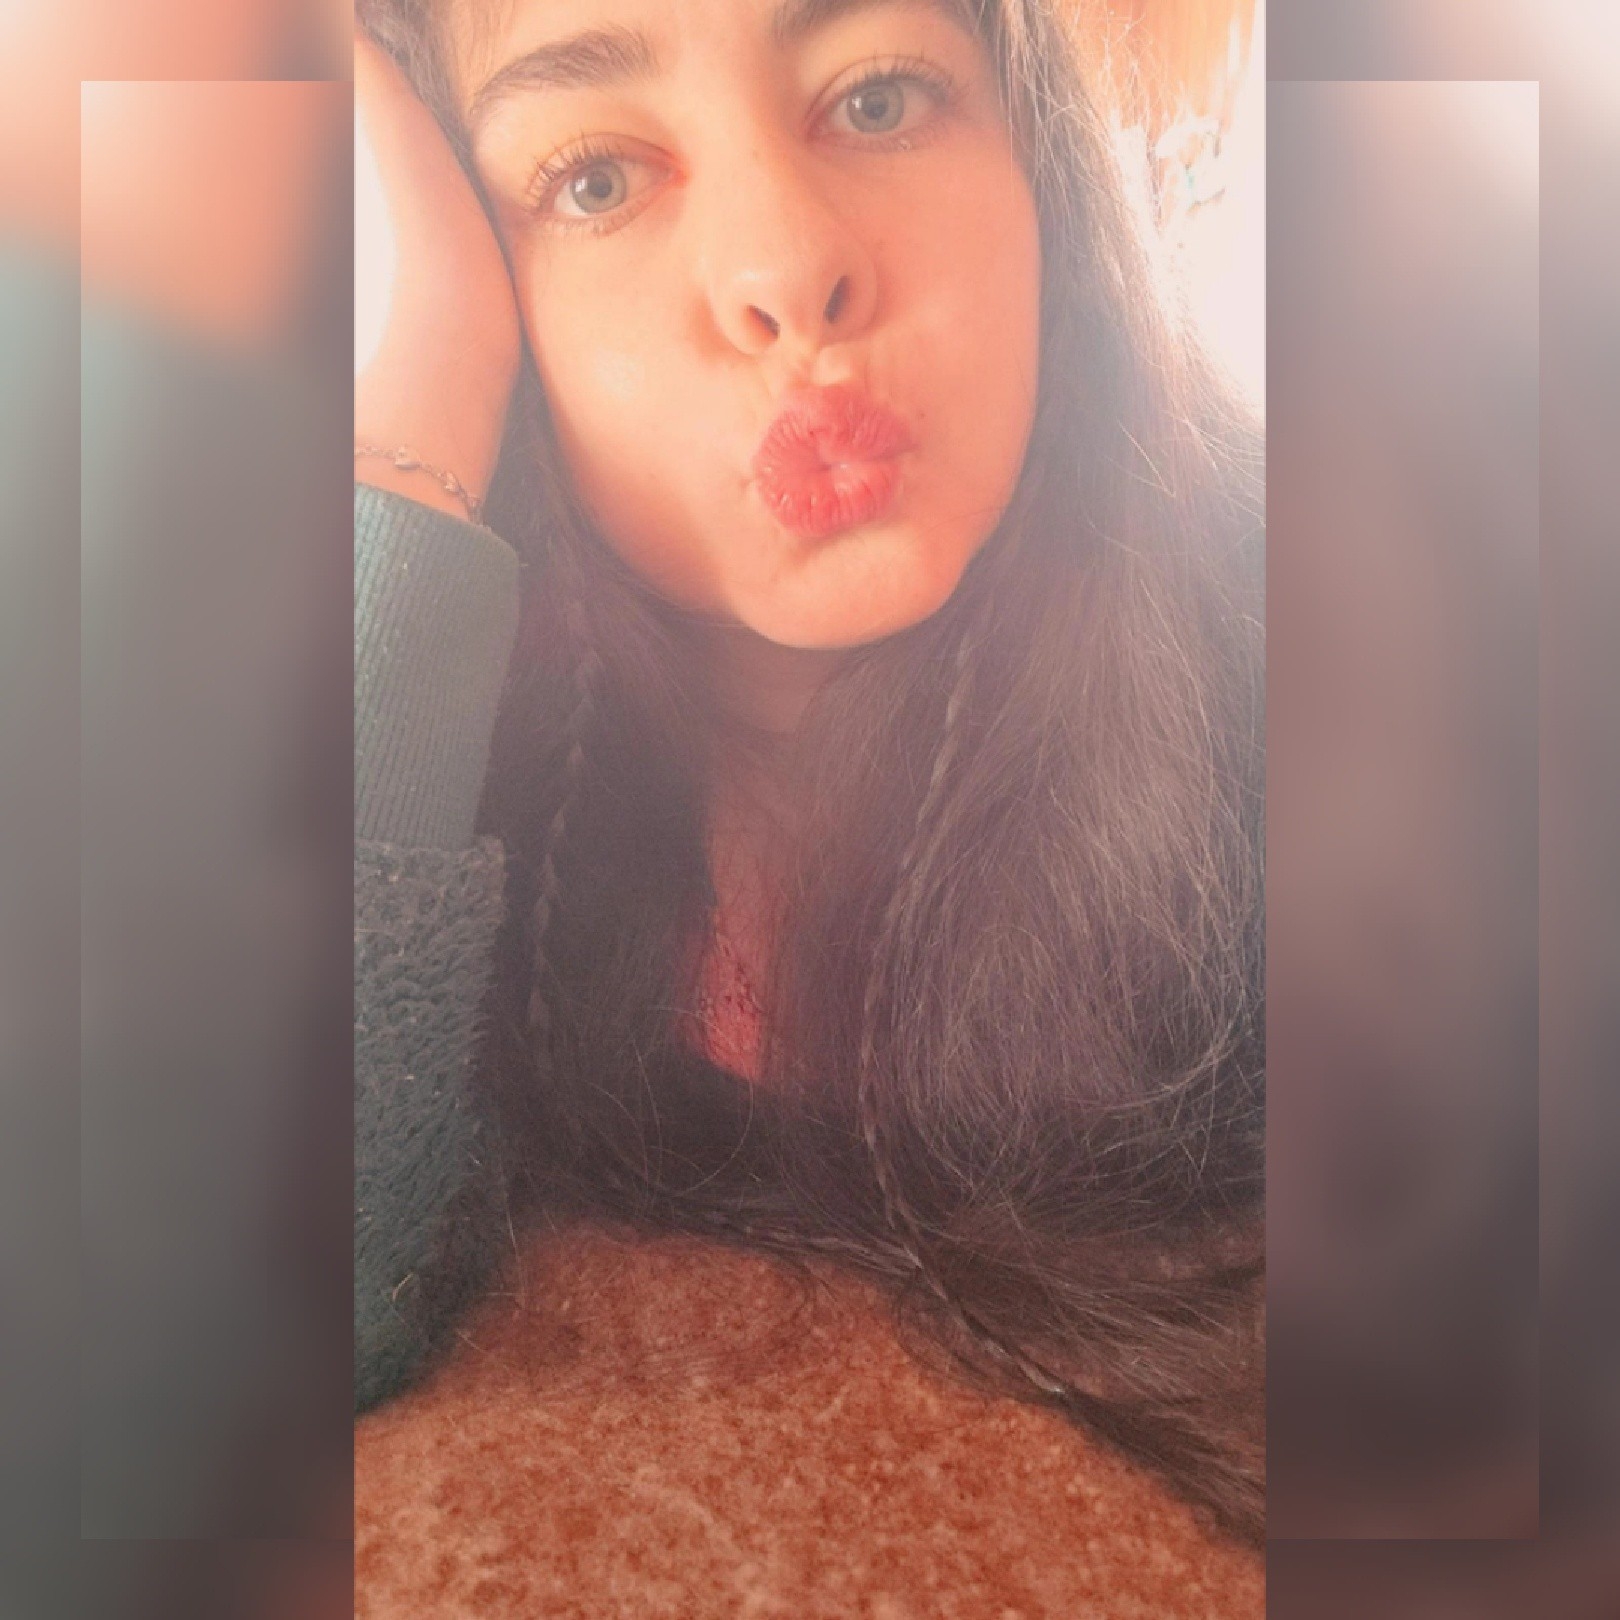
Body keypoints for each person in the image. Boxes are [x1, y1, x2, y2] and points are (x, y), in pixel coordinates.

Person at [354, 0, 1266, 1551]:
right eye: (593, 180)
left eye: (879, 99)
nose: (784, 265)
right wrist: (418, 392)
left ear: (1041, 164)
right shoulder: (419, 767)